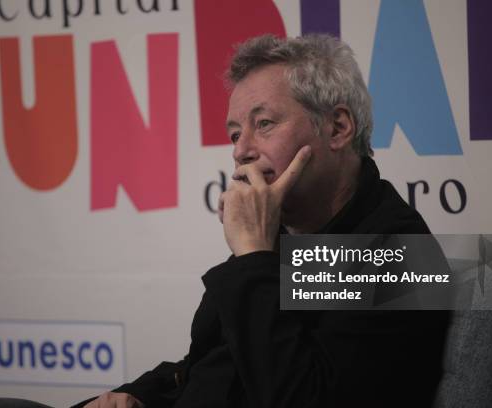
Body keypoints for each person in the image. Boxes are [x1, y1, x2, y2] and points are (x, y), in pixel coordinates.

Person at [77, 34, 450, 408]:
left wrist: (254, 256)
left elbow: (299, 397)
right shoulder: (285, 235)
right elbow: (210, 364)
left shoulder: (397, 255)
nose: (241, 151)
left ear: (337, 128)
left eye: (265, 123)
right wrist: (139, 397)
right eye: (236, 133)